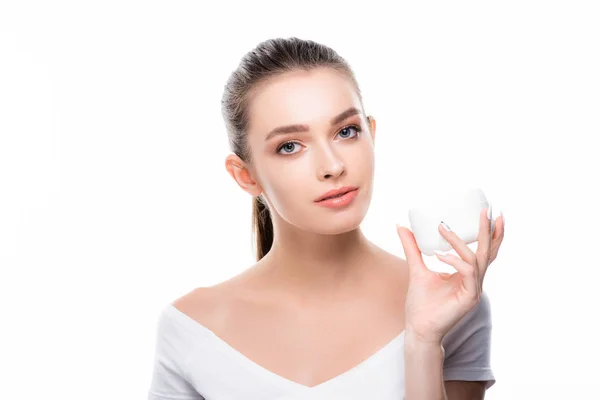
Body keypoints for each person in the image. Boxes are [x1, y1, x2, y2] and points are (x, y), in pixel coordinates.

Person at [146, 37, 505, 400]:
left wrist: (424, 344)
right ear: (245, 175)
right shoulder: (191, 328)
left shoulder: (450, 304)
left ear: (371, 134)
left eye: (346, 132)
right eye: (290, 146)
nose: (333, 166)